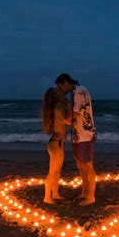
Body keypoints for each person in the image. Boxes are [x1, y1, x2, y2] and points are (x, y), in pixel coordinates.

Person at [41, 73, 78, 204]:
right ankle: (47, 197)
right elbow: (68, 120)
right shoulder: (58, 106)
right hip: (57, 144)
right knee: (52, 172)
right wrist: (68, 104)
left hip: (58, 143)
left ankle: (55, 194)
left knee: (57, 171)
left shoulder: (57, 105)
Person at [71, 84, 97, 206]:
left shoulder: (80, 92)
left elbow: (77, 112)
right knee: (80, 164)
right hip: (78, 135)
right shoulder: (75, 93)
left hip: (84, 135)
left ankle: (91, 197)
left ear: (65, 83)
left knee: (87, 166)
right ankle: (85, 192)